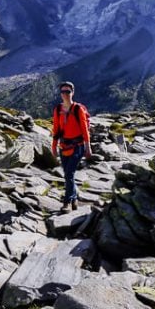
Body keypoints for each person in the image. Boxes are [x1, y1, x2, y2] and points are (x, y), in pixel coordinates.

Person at [50, 81, 91, 211]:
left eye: (68, 91)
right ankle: (74, 199)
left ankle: (66, 202)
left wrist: (88, 147)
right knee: (68, 175)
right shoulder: (57, 110)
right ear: (60, 94)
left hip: (78, 146)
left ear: (72, 92)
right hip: (63, 146)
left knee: (68, 174)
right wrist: (53, 146)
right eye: (63, 92)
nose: (65, 94)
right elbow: (56, 129)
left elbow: (85, 130)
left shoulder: (78, 109)